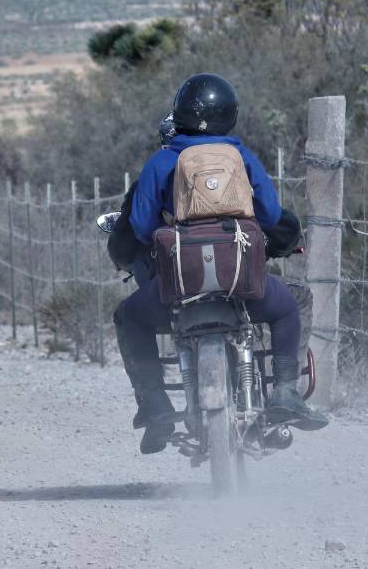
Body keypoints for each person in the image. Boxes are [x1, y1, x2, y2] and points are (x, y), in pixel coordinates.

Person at [110, 73, 328, 455]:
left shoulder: (162, 161)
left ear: (179, 111)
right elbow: (271, 214)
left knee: (129, 316)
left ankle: (155, 403)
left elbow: (141, 226)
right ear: (230, 114)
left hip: (179, 287)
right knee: (287, 308)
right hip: (240, 282)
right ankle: (285, 391)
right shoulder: (241, 158)